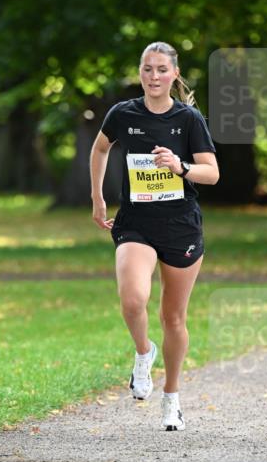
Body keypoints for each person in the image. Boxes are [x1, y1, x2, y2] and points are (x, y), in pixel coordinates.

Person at [89, 41, 219, 431]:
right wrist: (97, 198)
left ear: (174, 74)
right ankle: (143, 354)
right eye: (148, 69)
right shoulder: (122, 113)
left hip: (180, 225)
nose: (154, 77)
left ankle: (172, 397)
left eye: (162, 69)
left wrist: (179, 166)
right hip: (136, 223)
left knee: (173, 317)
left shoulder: (190, 119)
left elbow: (211, 173)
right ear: (140, 73)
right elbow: (100, 149)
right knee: (133, 300)